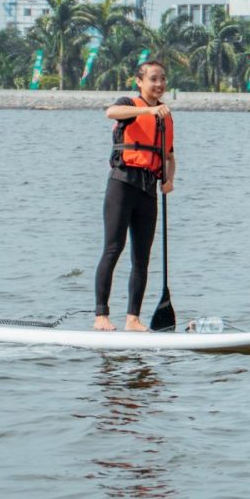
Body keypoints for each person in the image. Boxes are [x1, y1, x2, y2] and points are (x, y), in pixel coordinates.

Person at [94, 62, 176, 331]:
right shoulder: (130, 104)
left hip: (148, 190)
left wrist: (169, 178)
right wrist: (149, 110)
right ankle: (101, 316)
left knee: (142, 257)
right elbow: (111, 112)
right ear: (139, 81)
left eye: (163, 79)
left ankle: (133, 319)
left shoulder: (165, 117)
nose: (160, 84)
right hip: (122, 183)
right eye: (153, 79)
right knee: (113, 248)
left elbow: (169, 155)